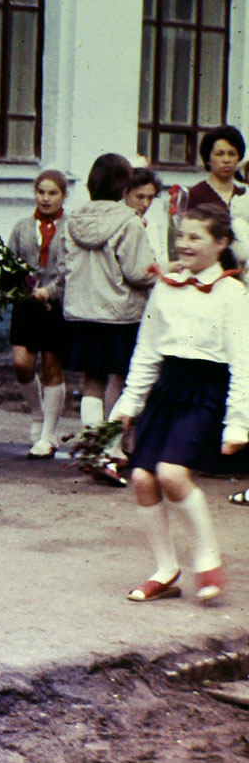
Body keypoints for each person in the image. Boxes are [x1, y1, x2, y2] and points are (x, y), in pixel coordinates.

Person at [110, 205, 248, 603]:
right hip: (168, 391)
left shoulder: (231, 292)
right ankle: (165, 570)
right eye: (181, 236)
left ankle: (208, 560)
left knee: (171, 474)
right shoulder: (165, 286)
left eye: (195, 237)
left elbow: (244, 362)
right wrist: (129, 403)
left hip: (206, 393)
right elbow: (147, 351)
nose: (184, 245)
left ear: (221, 243)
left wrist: (238, 423)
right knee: (141, 478)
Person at [60, 153, 157, 486]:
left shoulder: (72, 220)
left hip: (81, 313)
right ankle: (113, 449)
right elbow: (137, 272)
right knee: (122, 379)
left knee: (92, 381)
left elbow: (63, 268)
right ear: (122, 185)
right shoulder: (129, 221)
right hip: (119, 314)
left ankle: (94, 449)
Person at [7, 170, 69, 459]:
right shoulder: (22, 227)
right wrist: (11, 282)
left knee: (51, 368)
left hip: (57, 306)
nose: (45, 198)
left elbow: (72, 268)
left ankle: (48, 435)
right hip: (26, 304)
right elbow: (9, 261)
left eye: (52, 193)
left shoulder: (71, 228)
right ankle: (37, 413)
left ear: (63, 196)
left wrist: (51, 290)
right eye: (41, 192)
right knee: (22, 364)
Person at [124, 166, 167, 262]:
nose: (146, 204)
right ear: (125, 193)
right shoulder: (117, 227)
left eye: (150, 198)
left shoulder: (152, 227)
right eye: (140, 197)